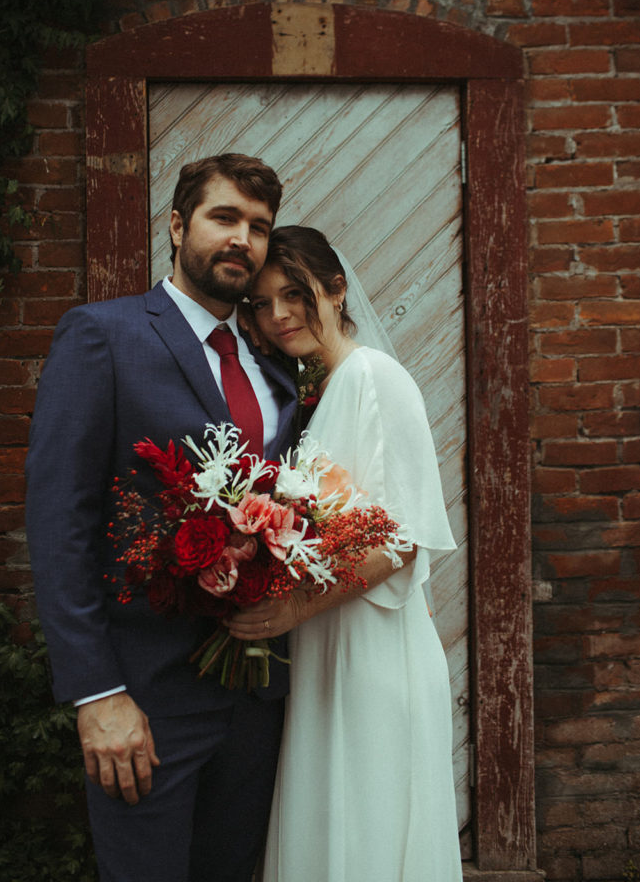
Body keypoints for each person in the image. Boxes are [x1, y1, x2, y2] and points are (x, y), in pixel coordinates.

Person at [25, 154, 298, 882]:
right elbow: (60, 526)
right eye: (224, 218)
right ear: (177, 226)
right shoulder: (103, 336)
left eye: (259, 227)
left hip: (257, 699)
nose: (243, 239)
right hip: (144, 698)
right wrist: (96, 694)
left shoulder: (275, 366)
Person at [228, 225, 463, 882]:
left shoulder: (373, 378)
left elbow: (397, 540)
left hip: (372, 653)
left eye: (294, 295)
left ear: (335, 289)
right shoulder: (324, 390)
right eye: (260, 303)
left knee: (367, 832)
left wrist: (287, 613)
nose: (277, 316)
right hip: (329, 647)